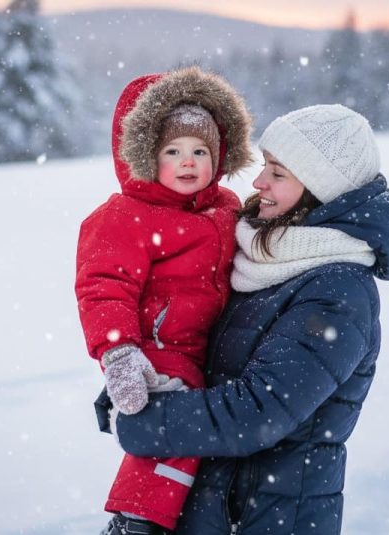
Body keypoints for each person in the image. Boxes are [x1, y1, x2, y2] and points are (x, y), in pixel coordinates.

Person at [99, 104, 389, 534]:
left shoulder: (338, 291)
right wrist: (144, 378)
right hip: (214, 508)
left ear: (319, 189)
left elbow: (257, 412)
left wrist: (144, 421)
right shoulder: (261, 258)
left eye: (278, 173)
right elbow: (208, 355)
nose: (258, 182)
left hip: (266, 518)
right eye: (265, 165)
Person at [75, 66, 252, 534]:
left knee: (206, 431)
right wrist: (119, 351)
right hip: (156, 351)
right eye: (173, 151)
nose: (189, 161)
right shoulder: (124, 217)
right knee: (177, 428)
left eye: (200, 151)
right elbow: (103, 286)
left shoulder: (227, 206)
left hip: (207, 347)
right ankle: (137, 519)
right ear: (146, 157)